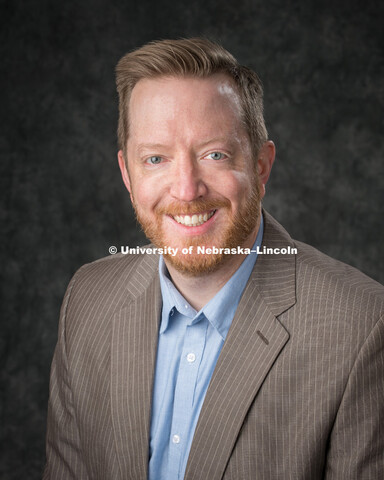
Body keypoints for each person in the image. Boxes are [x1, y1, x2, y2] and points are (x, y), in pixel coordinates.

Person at [44, 38, 384, 480]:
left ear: (261, 166)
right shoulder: (87, 299)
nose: (186, 190)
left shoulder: (362, 326)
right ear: (128, 174)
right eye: (156, 158)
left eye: (215, 154)